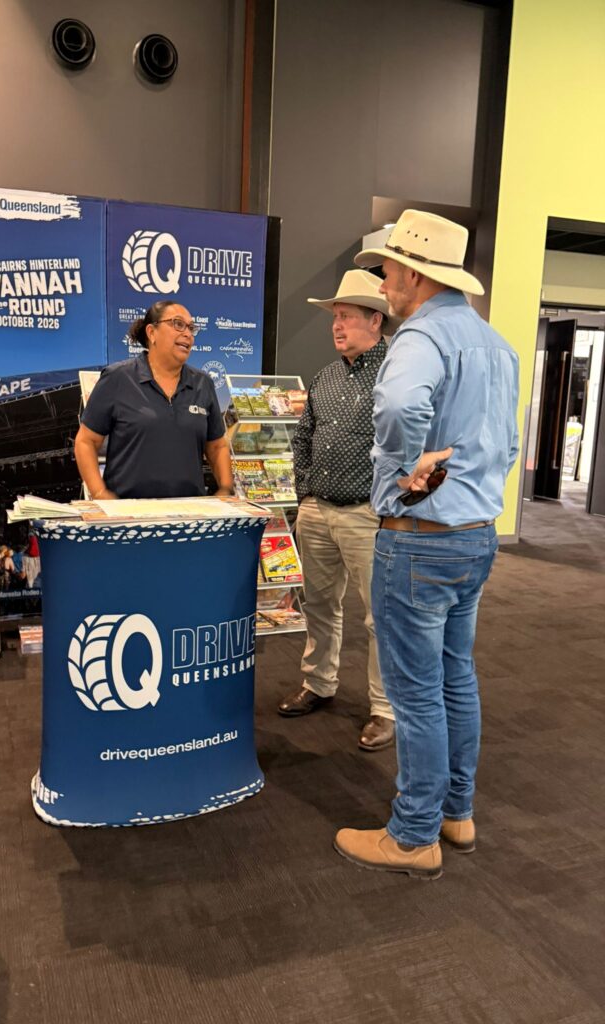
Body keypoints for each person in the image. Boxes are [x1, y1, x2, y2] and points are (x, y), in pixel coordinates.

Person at [332, 210, 519, 880]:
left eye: (387, 271)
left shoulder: (421, 339)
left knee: (415, 693)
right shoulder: (496, 344)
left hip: (419, 541)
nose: (383, 283)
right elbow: (510, 443)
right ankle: (455, 813)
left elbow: (399, 407)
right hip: (475, 539)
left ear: (412, 272)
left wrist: (410, 466)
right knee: (455, 677)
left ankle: (413, 836)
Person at [277, 270, 399, 752]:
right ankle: (319, 683)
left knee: (380, 618)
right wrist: (305, 493)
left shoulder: (396, 373)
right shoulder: (325, 377)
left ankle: (385, 709)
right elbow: (303, 437)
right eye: (335, 316)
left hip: (368, 514)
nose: (337, 324)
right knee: (320, 605)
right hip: (318, 511)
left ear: (375, 319)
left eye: (347, 316)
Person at [74, 301, 234, 499]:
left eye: (191, 328)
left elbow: (217, 447)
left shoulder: (203, 384)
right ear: (151, 333)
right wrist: (100, 493)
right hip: (129, 516)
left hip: (190, 514)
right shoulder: (117, 378)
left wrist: (226, 490)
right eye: (178, 324)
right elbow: (85, 441)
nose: (187, 334)